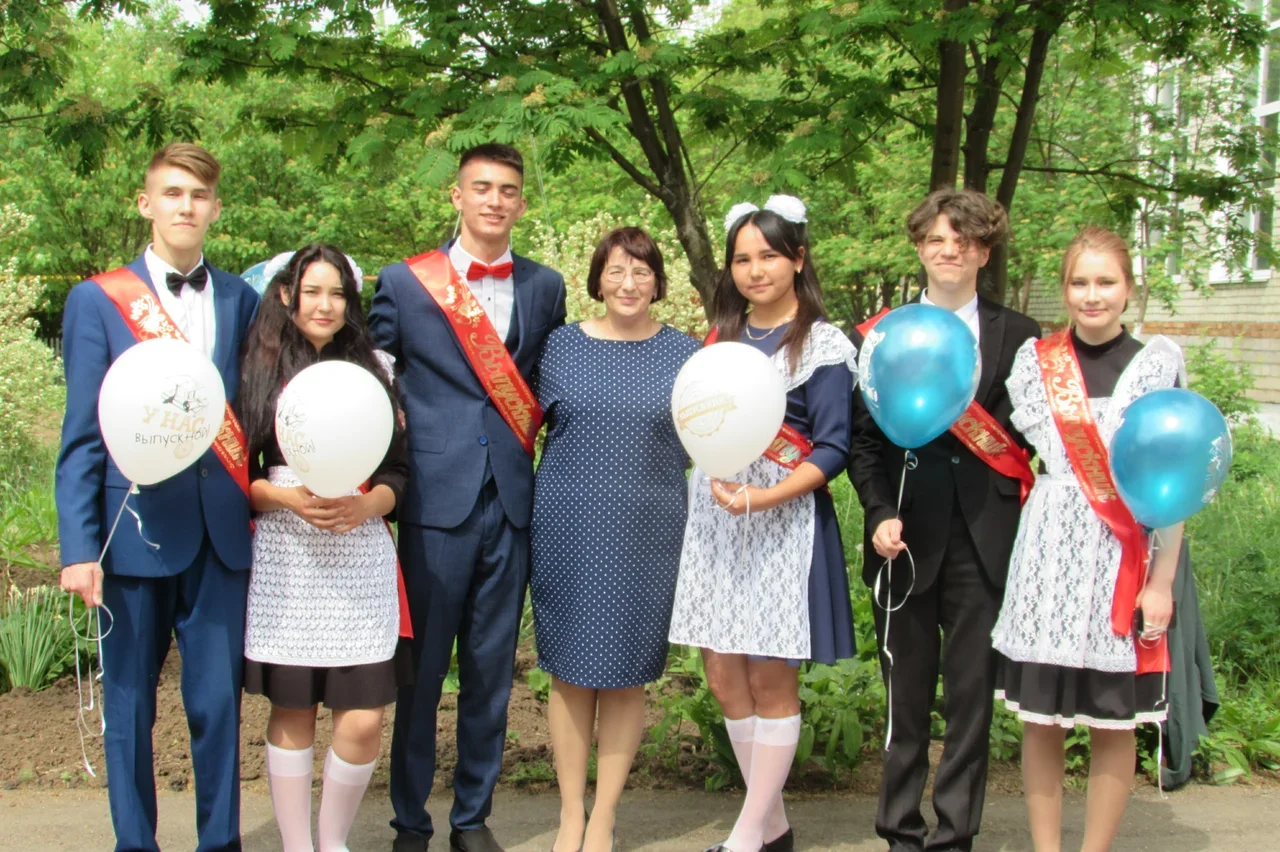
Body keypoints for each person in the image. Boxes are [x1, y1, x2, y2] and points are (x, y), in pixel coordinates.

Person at [56, 143, 260, 852]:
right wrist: (79, 548)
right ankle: (135, 844)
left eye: (199, 195)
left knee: (217, 709)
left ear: (216, 209)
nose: (186, 206)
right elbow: (82, 434)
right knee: (129, 709)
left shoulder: (240, 298)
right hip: (133, 531)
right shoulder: (98, 300)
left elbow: (251, 417)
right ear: (146, 204)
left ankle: (220, 843)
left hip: (220, 534)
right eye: (172, 193)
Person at [371, 142, 567, 852]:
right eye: (481, 187)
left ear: (521, 202)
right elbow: (373, 379)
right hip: (432, 502)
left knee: (491, 673)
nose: (494, 200)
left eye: (507, 190)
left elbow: (547, 383)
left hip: (511, 503)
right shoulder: (404, 282)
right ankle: (410, 821)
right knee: (421, 676)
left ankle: (472, 819)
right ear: (457, 196)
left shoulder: (545, 286)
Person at [848, 188, 1040, 852]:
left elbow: (1033, 440)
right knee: (904, 701)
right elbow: (865, 442)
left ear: (984, 251)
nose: (949, 251)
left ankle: (955, 837)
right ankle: (900, 832)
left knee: (970, 703)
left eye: (964, 241)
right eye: (936, 239)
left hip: (986, 540)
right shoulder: (882, 335)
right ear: (919, 248)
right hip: (902, 539)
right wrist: (879, 511)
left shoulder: (1022, 336)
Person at [668, 196, 857, 852]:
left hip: (783, 523)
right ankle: (771, 827)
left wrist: (765, 498)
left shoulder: (822, 343)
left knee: (770, 678)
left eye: (769, 256)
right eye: (743, 259)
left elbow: (832, 447)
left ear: (798, 259)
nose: (755, 270)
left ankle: (748, 836)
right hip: (717, 517)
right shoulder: (719, 340)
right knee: (724, 677)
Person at [991, 227, 1184, 851]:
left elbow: (1173, 485)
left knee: (1113, 722)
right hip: (1050, 552)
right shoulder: (1037, 362)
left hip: (1123, 554)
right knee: (1041, 721)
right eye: (1079, 282)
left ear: (1129, 288)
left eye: (1106, 282)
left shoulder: (1157, 365)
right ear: (1065, 288)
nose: (1092, 295)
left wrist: (1161, 583)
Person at [531, 228, 700, 852]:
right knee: (570, 673)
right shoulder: (558, 346)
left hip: (649, 531)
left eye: (642, 272)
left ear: (658, 282)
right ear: (597, 280)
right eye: (616, 271)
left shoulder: (687, 354)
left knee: (628, 675)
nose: (629, 284)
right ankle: (569, 812)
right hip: (568, 526)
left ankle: (603, 816)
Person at [238, 244, 411, 852]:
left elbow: (398, 473)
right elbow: (239, 475)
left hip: (359, 554)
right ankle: (296, 844)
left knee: (363, 719)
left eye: (337, 293)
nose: (325, 304)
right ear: (288, 294)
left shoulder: (375, 370)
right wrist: (284, 498)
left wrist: (368, 505)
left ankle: (332, 841)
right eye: (312, 291)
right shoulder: (256, 368)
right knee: (293, 710)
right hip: (287, 559)